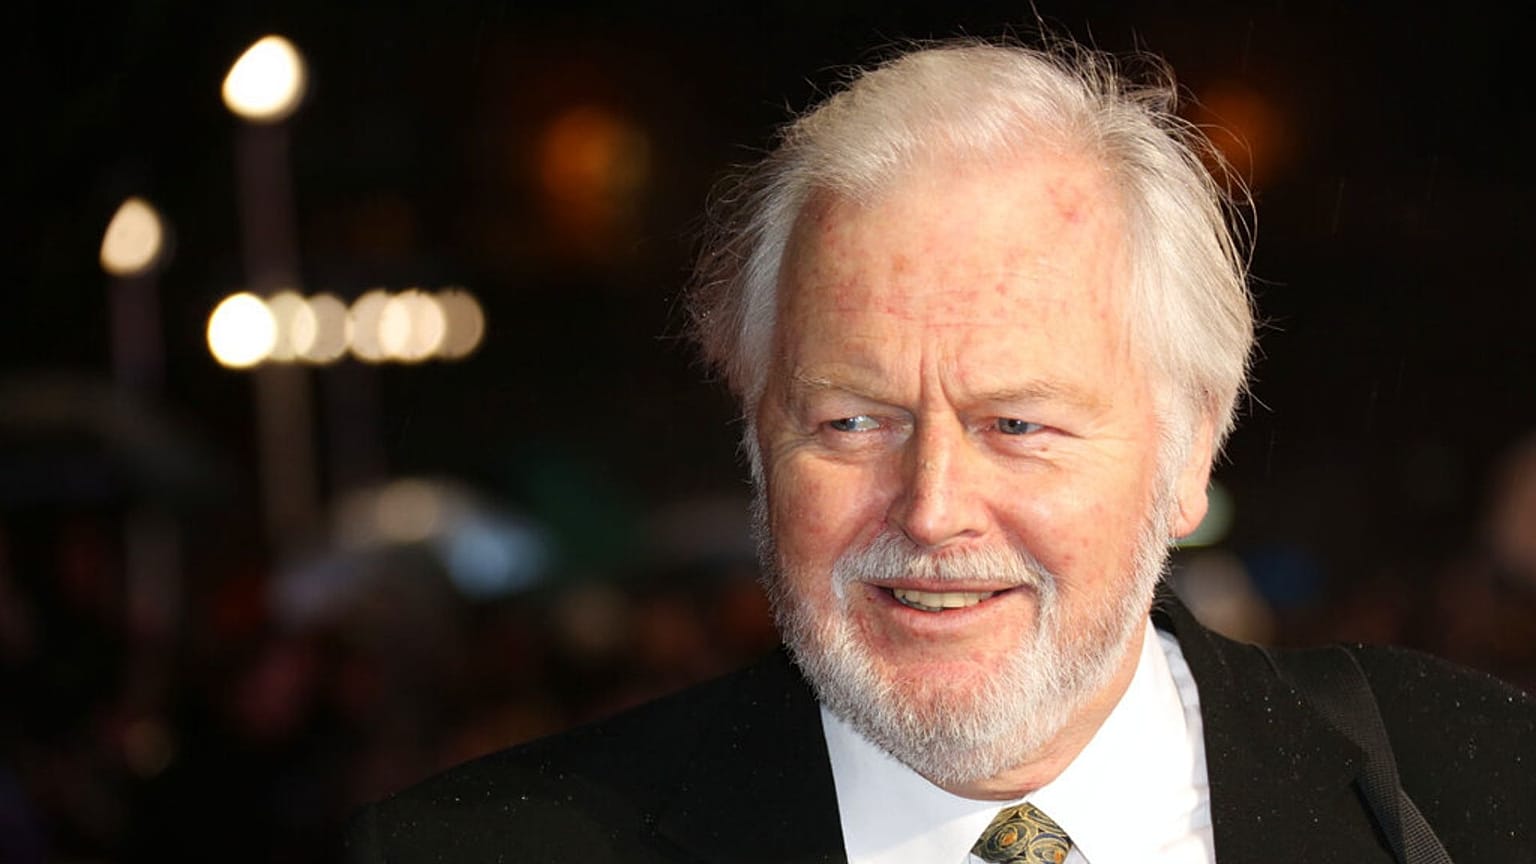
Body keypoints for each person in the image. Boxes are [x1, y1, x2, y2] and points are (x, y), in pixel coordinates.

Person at [345, 39, 1535, 863]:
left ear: (1191, 448)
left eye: (1017, 425)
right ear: (757, 439)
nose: (931, 509)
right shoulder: (472, 852)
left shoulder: (1484, 798)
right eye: (854, 422)